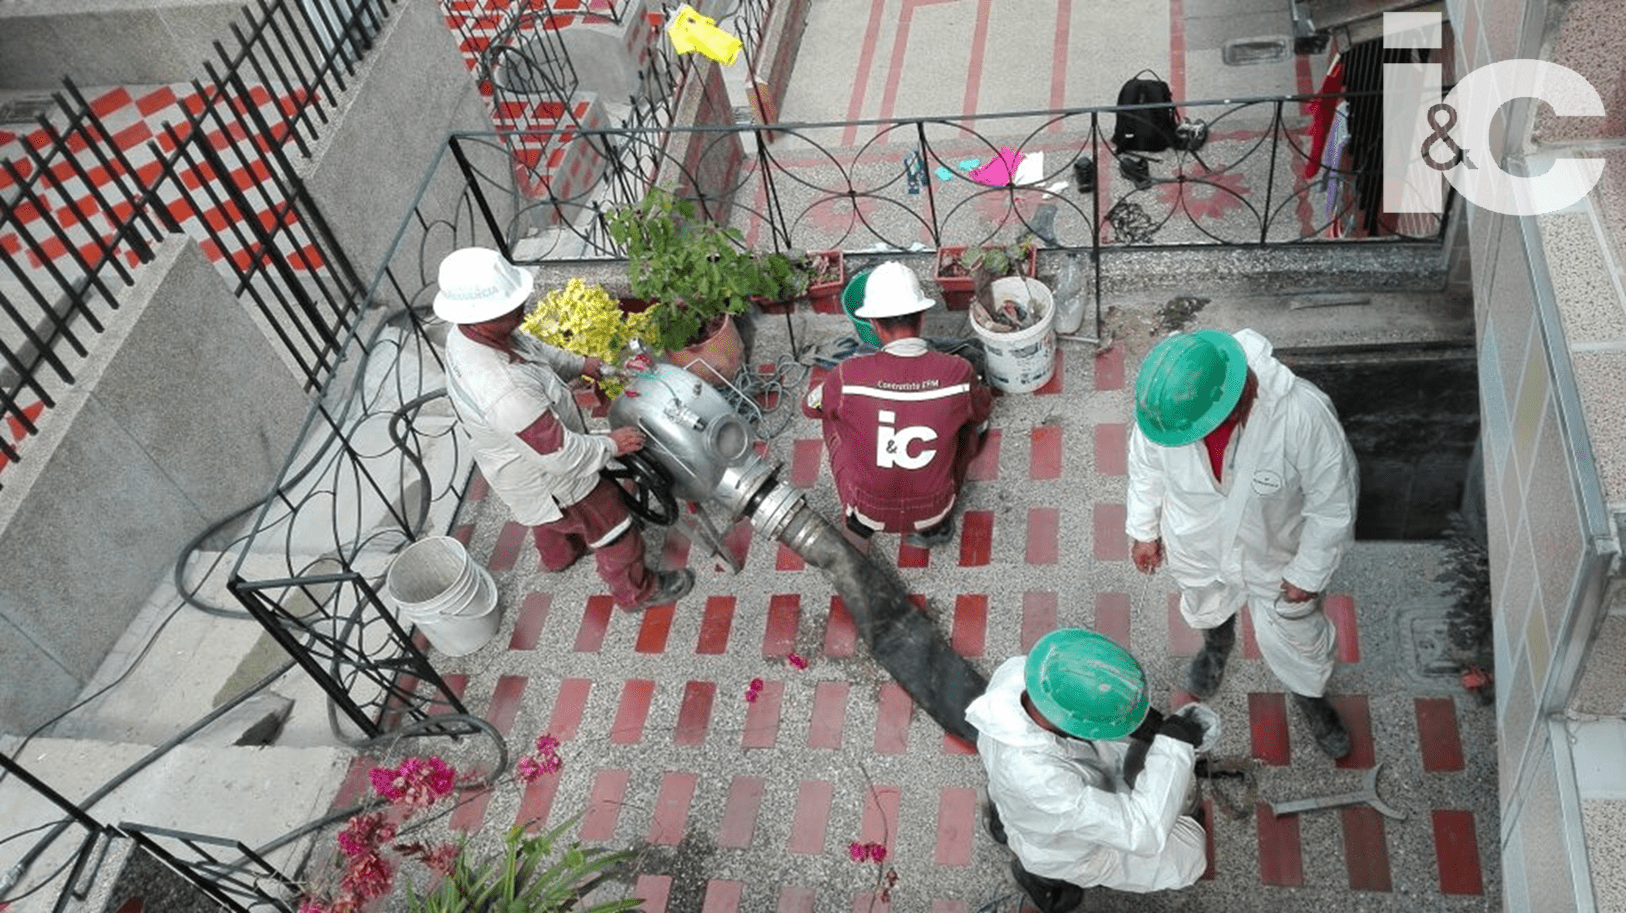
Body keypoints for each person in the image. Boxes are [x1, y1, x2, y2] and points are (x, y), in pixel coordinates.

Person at [1126, 328, 1359, 759]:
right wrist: (1144, 529)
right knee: (1206, 604)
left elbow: (1333, 504)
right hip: (1196, 543)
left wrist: (1309, 572)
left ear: (1234, 400)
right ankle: (1217, 648)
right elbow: (1146, 468)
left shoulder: (1302, 416)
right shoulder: (1168, 410)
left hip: (1276, 554)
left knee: (1298, 635)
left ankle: (1310, 697)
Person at [433, 247, 693, 611]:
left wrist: (587, 365)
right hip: (551, 475)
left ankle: (559, 557)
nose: (520, 307)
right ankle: (638, 592)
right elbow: (560, 455)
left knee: (545, 516)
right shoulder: (503, 390)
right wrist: (611, 444)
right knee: (611, 523)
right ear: (480, 317)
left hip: (514, 468)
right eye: (510, 305)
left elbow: (533, 349)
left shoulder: (470, 334)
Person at [965, 629, 1208, 910]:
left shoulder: (1023, 674)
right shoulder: (1042, 780)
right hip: (1063, 847)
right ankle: (1039, 878)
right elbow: (1143, 833)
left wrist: (1135, 720)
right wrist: (1174, 747)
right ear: (1072, 724)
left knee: (1029, 819)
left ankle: (1008, 822)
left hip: (1026, 800)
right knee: (1189, 858)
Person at [802, 261, 993, 549]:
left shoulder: (847, 375)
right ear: (922, 316)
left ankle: (856, 518)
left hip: (869, 514)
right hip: (934, 510)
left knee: (829, 413)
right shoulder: (957, 371)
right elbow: (983, 409)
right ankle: (935, 529)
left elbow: (808, 407)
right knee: (970, 422)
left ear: (874, 324)